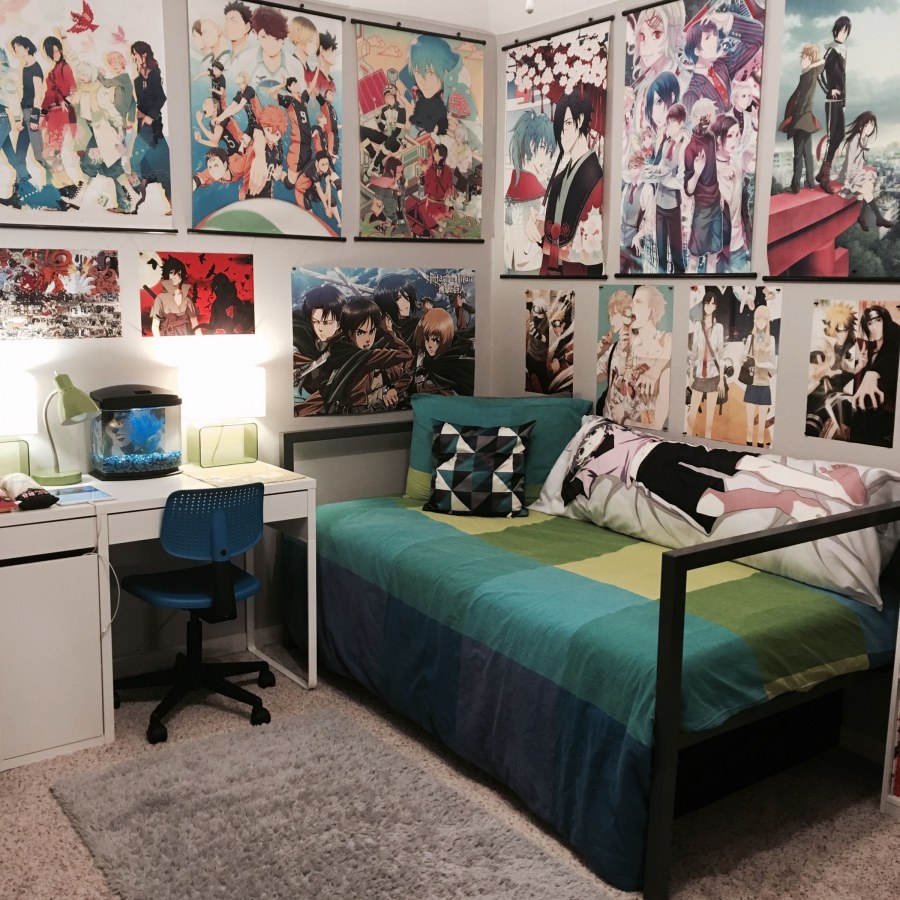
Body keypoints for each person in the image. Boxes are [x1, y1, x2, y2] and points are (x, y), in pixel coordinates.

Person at [560, 417, 867, 533]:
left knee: (746, 463)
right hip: (648, 475)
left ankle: (830, 486)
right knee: (713, 506)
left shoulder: (604, 430)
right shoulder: (586, 465)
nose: (588, 442)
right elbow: (571, 491)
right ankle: (782, 500)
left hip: (661, 452)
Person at [300, 297, 414, 415]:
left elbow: (404, 377)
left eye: (372, 331)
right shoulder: (363, 356)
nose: (368, 339)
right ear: (350, 333)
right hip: (353, 416)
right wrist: (389, 331)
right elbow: (406, 353)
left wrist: (394, 390)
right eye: (361, 332)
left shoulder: (363, 355)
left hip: (374, 415)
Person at [533, 92, 604, 276]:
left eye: (568, 123)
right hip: (554, 263)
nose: (563, 133)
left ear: (580, 120)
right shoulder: (559, 178)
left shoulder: (594, 175)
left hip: (576, 267)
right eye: (560, 126)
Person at [504, 109, 555, 273]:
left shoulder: (513, 183)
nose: (548, 159)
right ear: (532, 146)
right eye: (545, 150)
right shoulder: (538, 192)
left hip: (510, 262)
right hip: (529, 264)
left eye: (550, 153)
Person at [849, 305, 900, 447]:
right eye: (870, 323)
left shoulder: (894, 340)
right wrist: (861, 366)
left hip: (887, 412)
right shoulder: (868, 350)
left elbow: (894, 358)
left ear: (885, 321)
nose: (874, 327)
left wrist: (873, 373)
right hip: (864, 410)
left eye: (878, 320)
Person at [129, 40, 170, 210]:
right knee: (148, 160)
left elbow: (161, 98)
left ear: (144, 54)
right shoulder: (138, 78)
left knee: (138, 159)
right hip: (143, 124)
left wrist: (151, 116)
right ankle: (135, 199)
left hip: (152, 124)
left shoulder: (154, 74)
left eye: (135, 54)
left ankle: (135, 199)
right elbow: (141, 101)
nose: (134, 57)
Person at [779, 44, 823, 193]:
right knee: (806, 153)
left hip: (801, 119)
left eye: (805, 58)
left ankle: (795, 186)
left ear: (811, 59)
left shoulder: (808, 75)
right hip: (807, 119)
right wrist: (812, 63)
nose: (802, 61)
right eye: (802, 57)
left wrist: (794, 121)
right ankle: (810, 182)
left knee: (798, 155)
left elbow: (801, 101)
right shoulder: (810, 74)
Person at [684, 98, 721, 274]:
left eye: (709, 116)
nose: (707, 120)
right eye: (703, 116)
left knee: (713, 256)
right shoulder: (690, 148)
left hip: (716, 205)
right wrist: (697, 172)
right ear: (695, 117)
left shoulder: (711, 138)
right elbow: (689, 190)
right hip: (702, 209)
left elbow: (714, 171)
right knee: (694, 258)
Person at [816, 16, 851, 194]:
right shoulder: (831, 50)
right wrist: (829, 90)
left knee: (840, 135)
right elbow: (818, 73)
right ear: (836, 30)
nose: (843, 34)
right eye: (841, 30)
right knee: (832, 137)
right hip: (831, 101)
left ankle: (822, 171)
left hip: (840, 102)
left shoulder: (843, 50)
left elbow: (843, 78)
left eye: (846, 31)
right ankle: (825, 178)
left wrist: (844, 100)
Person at [687, 287, 725, 439]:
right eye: (707, 303)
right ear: (703, 305)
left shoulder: (719, 328)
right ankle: (688, 441)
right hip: (699, 375)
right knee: (692, 415)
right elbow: (694, 353)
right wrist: (691, 375)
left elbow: (721, 356)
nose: (709, 306)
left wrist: (721, 380)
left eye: (712, 304)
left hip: (713, 375)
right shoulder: (697, 325)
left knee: (709, 420)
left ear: (716, 307)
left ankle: (707, 443)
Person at [413, 307, 475, 395]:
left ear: (444, 339)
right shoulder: (430, 357)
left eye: (435, 340)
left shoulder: (444, 365)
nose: (429, 345)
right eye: (427, 339)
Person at [741, 304, 776, 447]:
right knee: (749, 427)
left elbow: (773, 366)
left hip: (764, 386)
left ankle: (760, 451)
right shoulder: (751, 338)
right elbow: (743, 358)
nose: (761, 321)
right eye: (758, 318)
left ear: (768, 320)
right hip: (752, 384)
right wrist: (743, 360)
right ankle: (748, 450)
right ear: (754, 320)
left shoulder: (771, 339)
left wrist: (760, 364)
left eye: (764, 318)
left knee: (761, 428)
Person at [148, 256, 201, 337]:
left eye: (178, 274)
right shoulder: (160, 298)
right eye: (171, 273)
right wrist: (159, 342)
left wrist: (200, 339)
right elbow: (155, 326)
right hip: (167, 336)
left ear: (181, 277)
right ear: (167, 274)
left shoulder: (187, 298)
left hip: (184, 336)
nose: (175, 276)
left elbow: (195, 323)